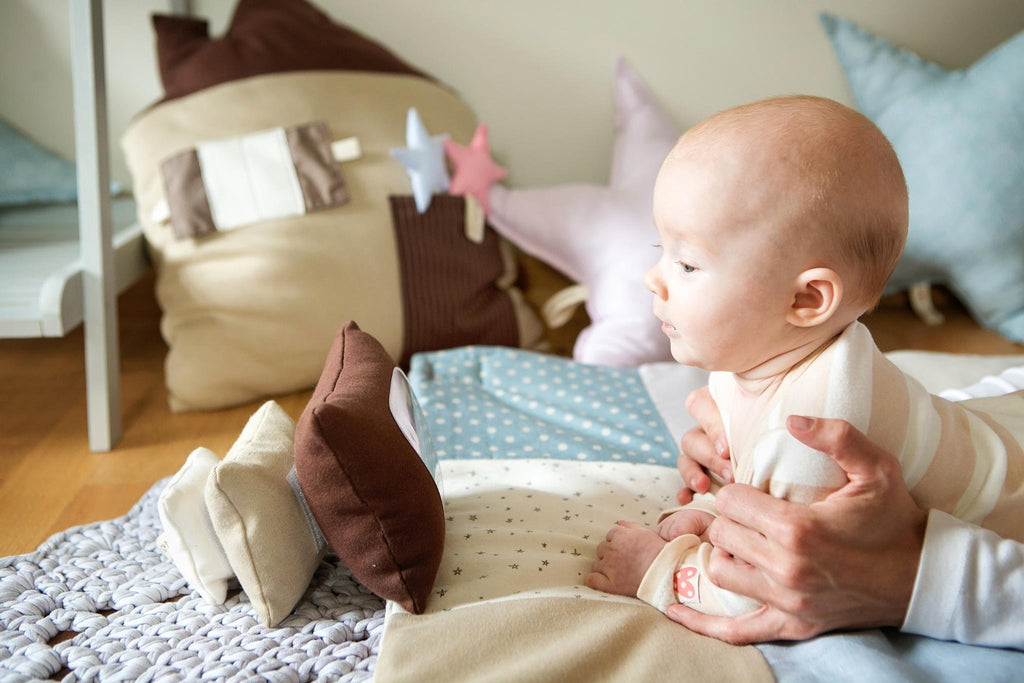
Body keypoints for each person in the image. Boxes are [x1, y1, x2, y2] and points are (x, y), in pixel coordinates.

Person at [584, 96, 1024, 625]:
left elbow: (767, 586)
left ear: (807, 300)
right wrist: (709, 508)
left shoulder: (811, 429)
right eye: (662, 251)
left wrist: (658, 569)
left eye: (688, 264)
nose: (652, 279)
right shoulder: (761, 357)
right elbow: (751, 481)